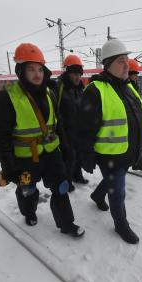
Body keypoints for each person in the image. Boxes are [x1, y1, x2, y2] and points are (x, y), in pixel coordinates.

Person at [0, 43, 84, 237]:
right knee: (28, 190)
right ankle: (29, 211)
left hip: (51, 155)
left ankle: (67, 224)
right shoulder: (7, 96)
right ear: (20, 70)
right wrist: (8, 166)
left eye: (40, 69)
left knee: (61, 188)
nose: (37, 74)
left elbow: (58, 125)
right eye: (31, 69)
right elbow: (0, 136)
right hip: (25, 159)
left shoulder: (49, 93)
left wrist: (66, 150)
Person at [78, 38, 142, 244]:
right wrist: (86, 156)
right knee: (118, 191)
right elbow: (84, 129)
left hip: (128, 151)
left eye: (127, 59)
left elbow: (139, 117)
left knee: (113, 182)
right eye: (120, 61)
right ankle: (121, 226)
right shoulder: (95, 90)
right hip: (109, 154)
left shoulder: (129, 87)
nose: (127, 64)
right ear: (108, 65)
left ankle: (97, 196)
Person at [56, 55, 88, 192]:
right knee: (68, 158)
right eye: (74, 74)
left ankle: (77, 176)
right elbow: (55, 111)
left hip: (78, 130)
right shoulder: (59, 87)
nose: (77, 77)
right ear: (67, 72)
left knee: (78, 156)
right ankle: (67, 181)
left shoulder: (80, 88)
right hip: (65, 130)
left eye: (79, 74)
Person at [128, 58, 142, 171]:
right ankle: (134, 162)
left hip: (137, 117)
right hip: (131, 119)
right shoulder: (126, 86)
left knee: (138, 143)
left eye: (136, 74)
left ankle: (137, 163)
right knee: (133, 144)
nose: (136, 77)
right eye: (134, 74)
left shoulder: (135, 85)